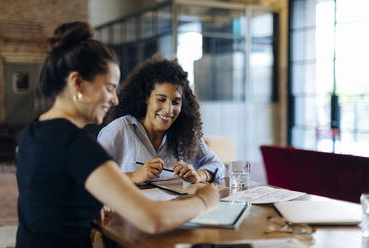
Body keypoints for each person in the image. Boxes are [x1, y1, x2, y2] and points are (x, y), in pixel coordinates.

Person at [15, 22, 219, 248]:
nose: (115, 99)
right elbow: (153, 219)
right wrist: (204, 200)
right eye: (110, 88)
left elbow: (56, 200)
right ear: (78, 83)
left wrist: (93, 202)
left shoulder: (32, 132)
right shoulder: (77, 145)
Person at [97, 56, 226, 184]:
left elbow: (217, 164)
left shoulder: (185, 134)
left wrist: (199, 175)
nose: (168, 110)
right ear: (147, 97)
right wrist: (134, 176)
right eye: (161, 99)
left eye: (176, 102)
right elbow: (93, 178)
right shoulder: (118, 130)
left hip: (174, 204)